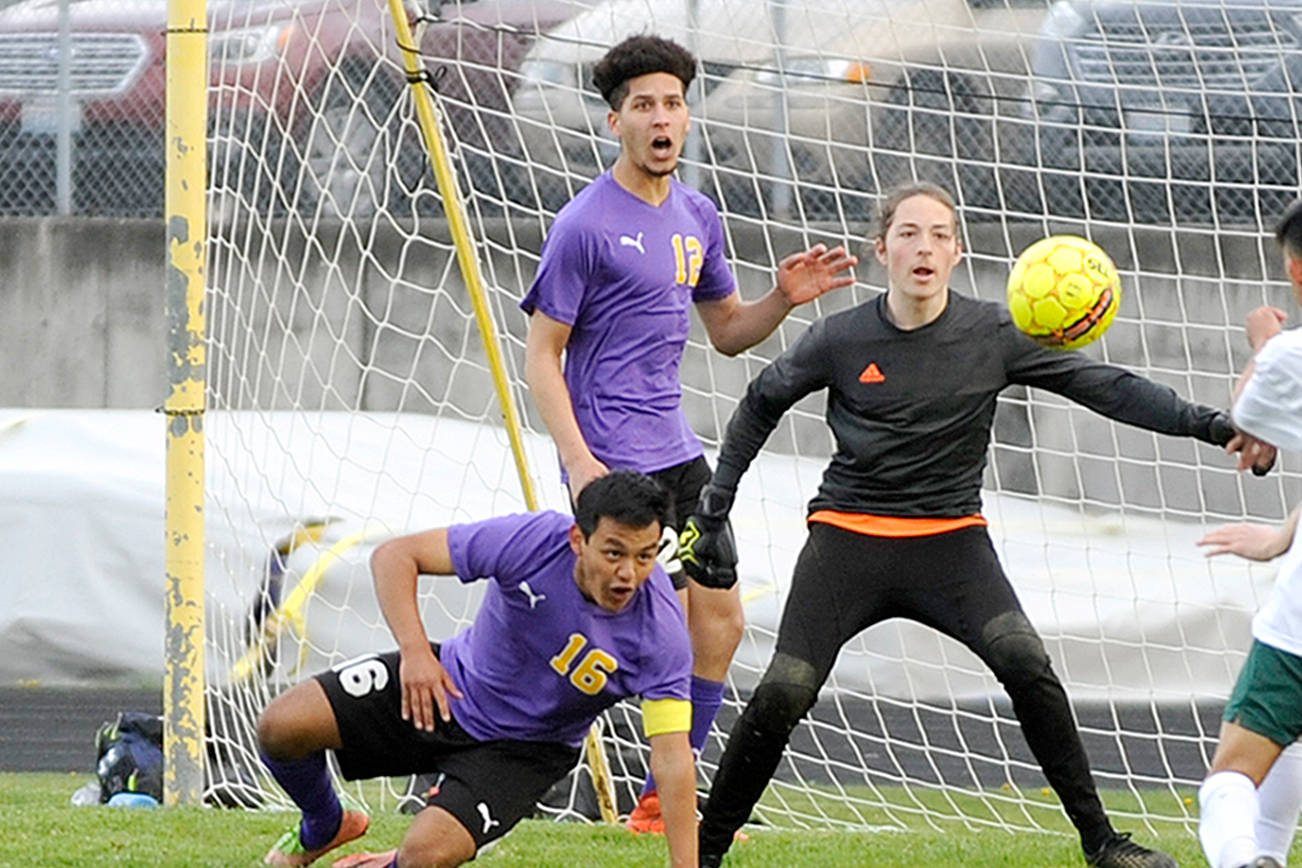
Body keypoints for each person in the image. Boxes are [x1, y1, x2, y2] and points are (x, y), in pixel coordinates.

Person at [678, 181, 1276, 868]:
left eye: (939, 234)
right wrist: (713, 506)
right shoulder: (839, 337)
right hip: (847, 538)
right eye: (908, 233)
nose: (923, 246)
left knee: (1025, 660)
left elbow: (1109, 387)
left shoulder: (993, 333)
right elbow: (759, 402)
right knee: (784, 687)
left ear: (958, 252)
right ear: (882, 250)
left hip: (950, 543)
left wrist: (1215, 425)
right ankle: (703, 852)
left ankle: (1103, 843)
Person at [520, 34, 857, 832]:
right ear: (616, 123)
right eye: (644, 106)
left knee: (720, 620)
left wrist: (782, 298)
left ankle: (653, 801)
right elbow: (542, 355)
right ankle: (478, 755)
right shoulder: (584, 225)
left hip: (681, 458)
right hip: (613, 466)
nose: (662, 118)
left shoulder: (697, 214)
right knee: (604, 634)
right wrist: (578, 462)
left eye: (673, 103)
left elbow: (729, 331)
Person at [256, 471, 699, 868]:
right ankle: (324, 825)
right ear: (578, 540)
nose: (628, 574)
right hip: (446, 684)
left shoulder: (661, 634)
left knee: (422, 857)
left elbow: (673, 756)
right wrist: (415, 653)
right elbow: (395, 556)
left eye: (644, 557)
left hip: (524, 750)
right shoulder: (532, 541)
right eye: (614, 553)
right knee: (281, 726)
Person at [1197, 198, 1302, 868]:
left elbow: (1246, 423)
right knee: (1284, 779)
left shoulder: (1289, 355)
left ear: (1295, 271)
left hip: (1299, 628)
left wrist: (1263, 344)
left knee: (1232, 780)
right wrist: (1279, 537)